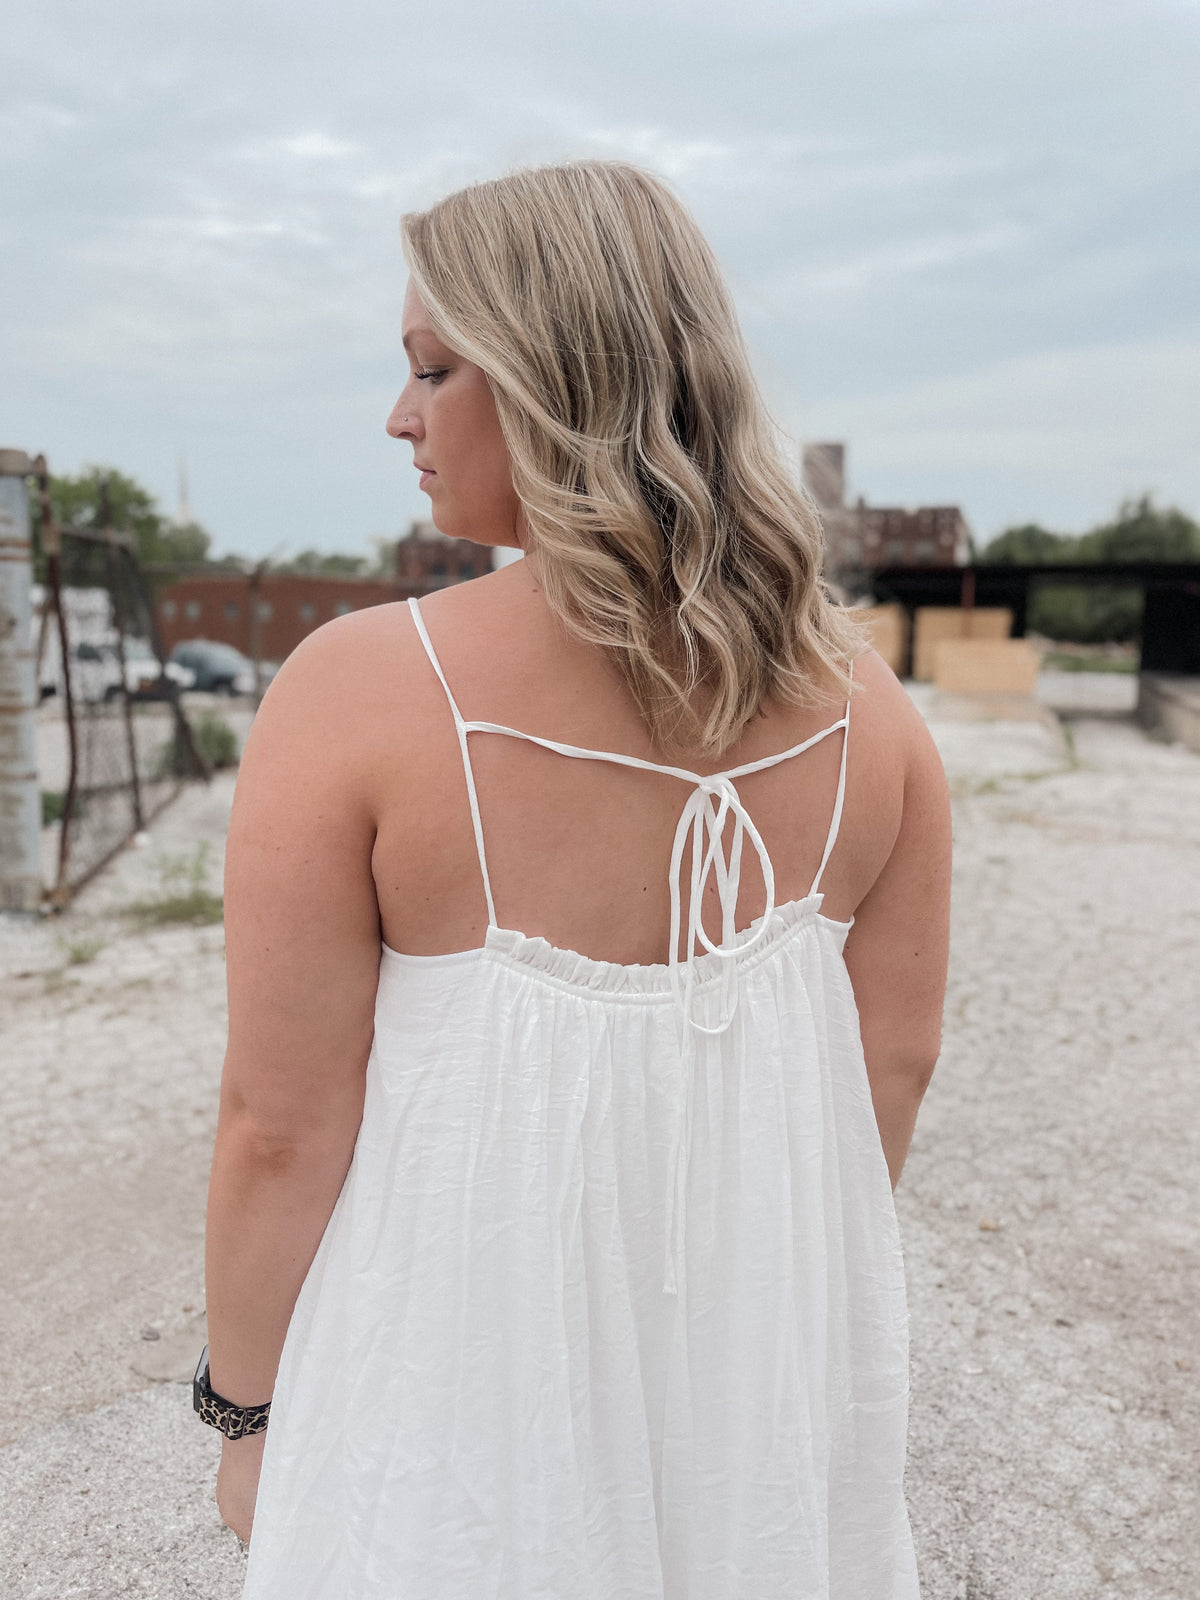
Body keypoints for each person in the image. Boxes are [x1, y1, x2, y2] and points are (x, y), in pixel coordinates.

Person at [202, 160, 951, 1599]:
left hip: (448, 1415)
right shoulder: (879, 721)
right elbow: (888, 1080)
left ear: (555, 381)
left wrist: (248, 1414)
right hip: (762, 1417)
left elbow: (279, 1127)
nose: (399, 416)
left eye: (435, 367)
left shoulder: (361, 691)